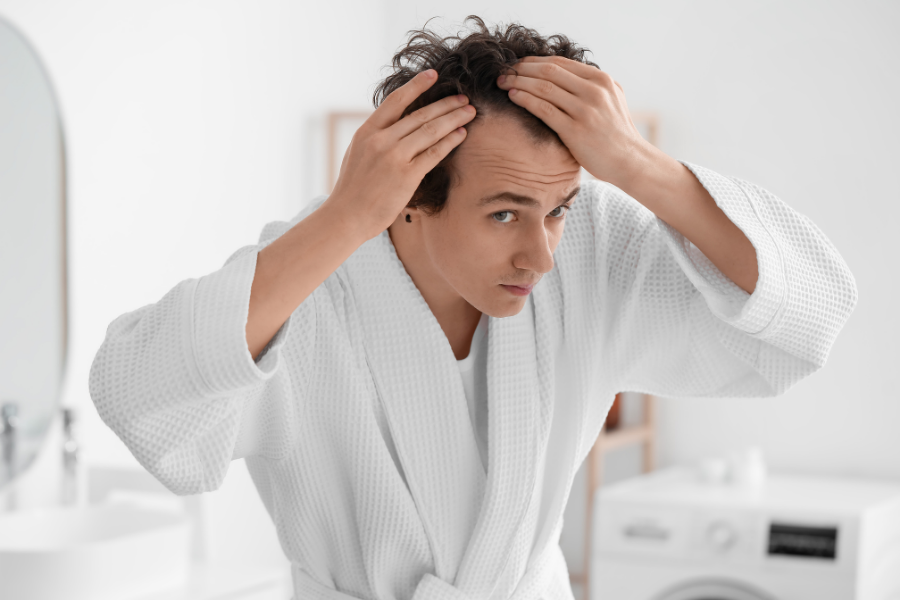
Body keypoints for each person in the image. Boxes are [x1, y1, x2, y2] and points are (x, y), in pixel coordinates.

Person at [89, 15, 858, 600]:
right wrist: (346, 217)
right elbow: (140, 398)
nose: (541, 255)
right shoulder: (313, 272)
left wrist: (636, 164)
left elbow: (806, 316)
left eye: (558, 209)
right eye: (504, 213)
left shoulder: (587, 246)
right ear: (410, 198)